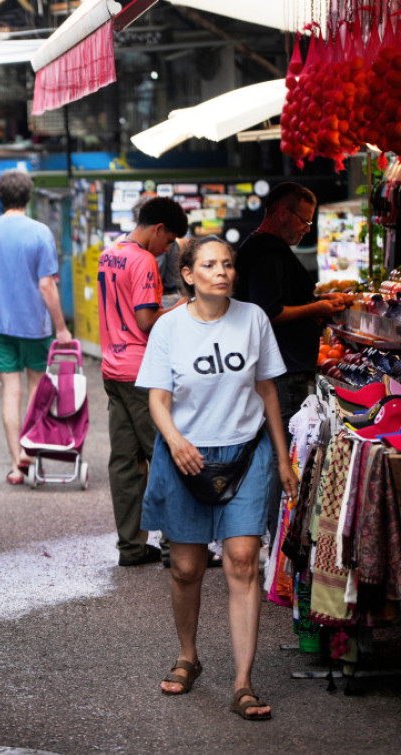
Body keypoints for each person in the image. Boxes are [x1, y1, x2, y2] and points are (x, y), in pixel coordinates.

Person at [135, 235, 298, 720]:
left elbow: (268, 391)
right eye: (209, 265)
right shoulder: (168, 328)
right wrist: (177, 441)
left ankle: (244, 682)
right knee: (185, 567)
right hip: (185, 457)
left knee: (243, 560)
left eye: (227, 264)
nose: (222, 272)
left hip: (247, 453)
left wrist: (284, 459)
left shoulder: (253, 319)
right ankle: (189, 656)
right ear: (188, 274)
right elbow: (158, 399)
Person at [234, 182, 347, 533]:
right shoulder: (268, 252)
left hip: (278, 368)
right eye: (304, 220)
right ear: (282, 212)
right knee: (282, 457)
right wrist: (318, 307)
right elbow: (268, 310)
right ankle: (273, 537)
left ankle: (266, 533)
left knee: (273, 454)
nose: (306, 228)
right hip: (283, 372)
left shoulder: (259, 247)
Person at [97, 196, 188, 567]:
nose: (167, 249)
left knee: (124, 461)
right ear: (159, 229)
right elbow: (147, 320)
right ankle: (174, 547)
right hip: (141, 372)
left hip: (112, 368)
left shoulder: (110, 252)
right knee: (164, 456)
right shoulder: (144, 259)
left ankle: (131, 547)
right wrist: (182, 307)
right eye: (169, 242)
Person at [0, 170, 72, 486]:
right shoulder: (40, 233)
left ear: (0, 197)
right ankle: (29, 446)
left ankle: (16, 464)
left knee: (10, 391)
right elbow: (46, 285)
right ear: (28, 196)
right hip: (34, 325)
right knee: (37, 390)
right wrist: (61, 327)